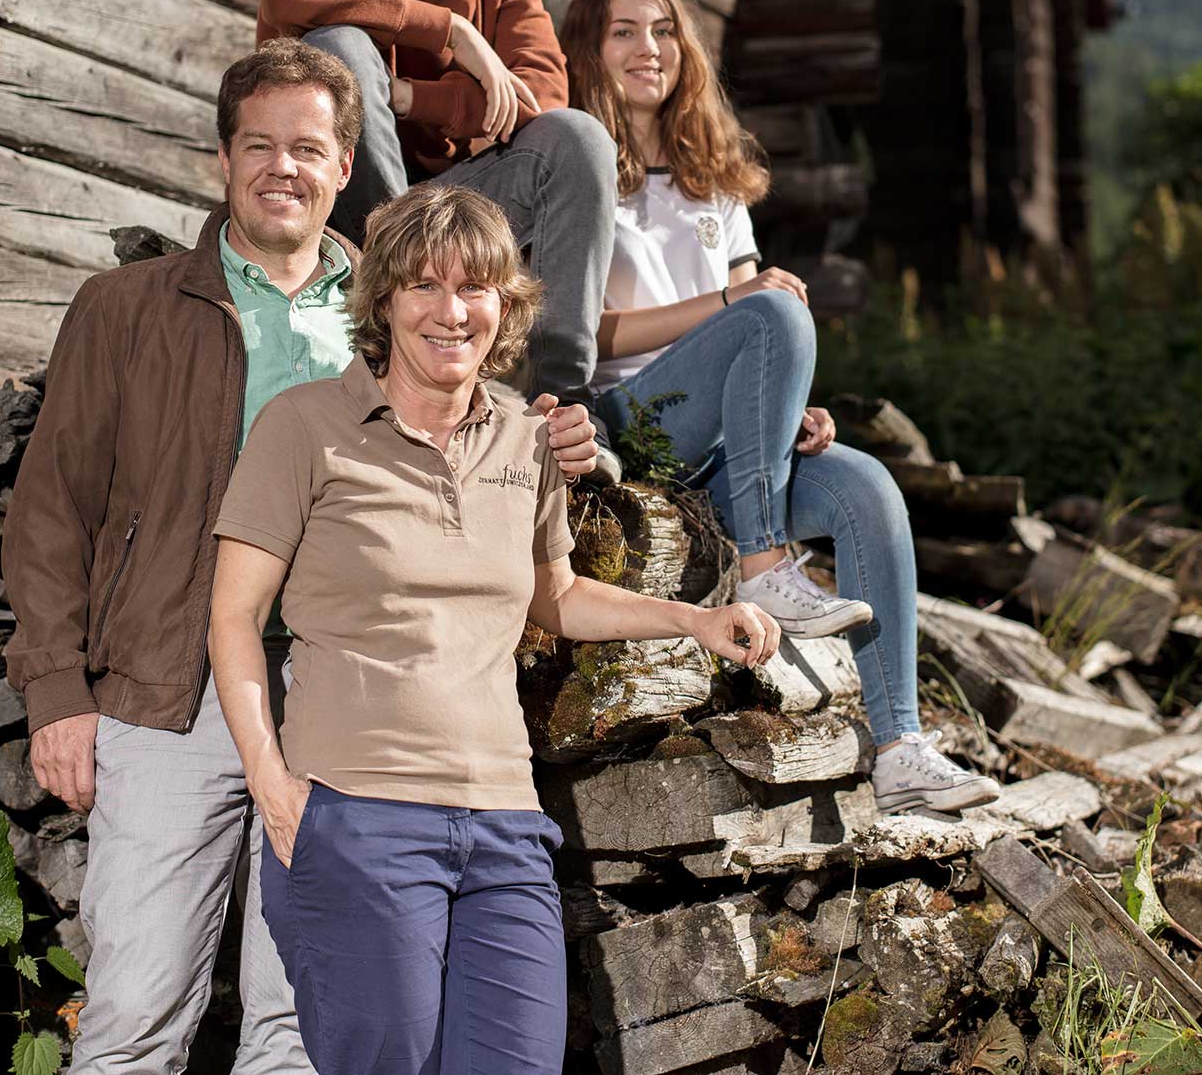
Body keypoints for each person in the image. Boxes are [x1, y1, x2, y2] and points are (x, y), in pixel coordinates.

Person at [2, 41, 596, 1075]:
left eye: (311, 149)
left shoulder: (397, 306)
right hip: (166, 688)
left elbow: (484, 429)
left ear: (342, 166)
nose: (285, 167)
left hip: (344, 709)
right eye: (261, 145)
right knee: (136, 1015)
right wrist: (56, 688)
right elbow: (52, 510)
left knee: (302, 1032)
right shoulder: (127, 308)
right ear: (223, 160)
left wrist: (565, 436)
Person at [208, 184, 782, 1075]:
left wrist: (695, 620)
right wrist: (273, 787)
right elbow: (234, 618)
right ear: (386, 301)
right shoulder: (305, 429)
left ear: (505, 306)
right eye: (425, 287)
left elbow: (553, 595)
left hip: (505, 824)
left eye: (475, 288)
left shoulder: (525, 438)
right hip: (358, 814)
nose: (451, 312)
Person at [563, 0, 1001, 815]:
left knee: (866, 482)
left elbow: (758, 329)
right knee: (772, 307)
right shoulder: (576, 168)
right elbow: (592, 336)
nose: (648, 48)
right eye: (623, 31)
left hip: (727, 441)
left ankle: (901, 748)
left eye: (662, 30)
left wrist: (786, 399)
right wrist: (739, 308)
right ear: (589, 47)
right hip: (633, 419)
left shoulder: (714, 179)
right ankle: (765, 561)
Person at [256, 0, 618, 434]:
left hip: (457, 208)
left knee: (578, 138)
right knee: (338, 51)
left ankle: (566, 402)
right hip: (339, 208)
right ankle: (395, 303)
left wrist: (411, 97)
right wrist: (450, 31)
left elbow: (540, 88)